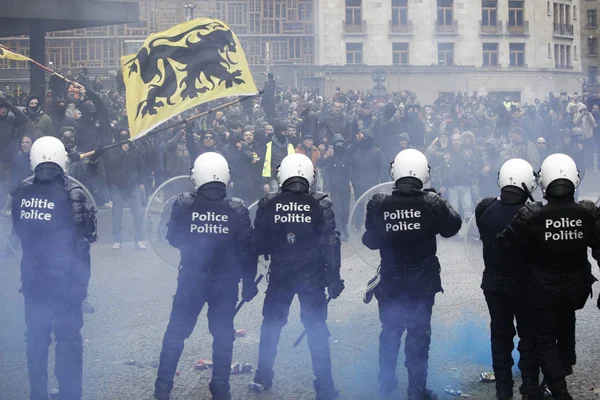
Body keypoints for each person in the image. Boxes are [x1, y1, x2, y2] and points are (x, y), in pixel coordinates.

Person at [496, 153, 600, 400]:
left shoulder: (533, 214)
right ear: (575, 178)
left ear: (543, 182)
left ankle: (560, 390)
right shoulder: (587, 212)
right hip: (576, 288)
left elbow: (503, 245)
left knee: (545, 340)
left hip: (543, 289)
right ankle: (562, 372)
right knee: (566, 328)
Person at [154, 152, 258, 400]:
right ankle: (221, 389)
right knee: (223, 334)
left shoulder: (184, 203)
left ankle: (162, 389)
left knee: (176, 332)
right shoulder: (237, 208)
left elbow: (173, 239)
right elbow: (248, 249)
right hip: (225, 282)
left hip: (192, 278)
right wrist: (249, 282)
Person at [362, 149, 461, 400]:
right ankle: (416, 391)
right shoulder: (430, 202)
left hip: (391, 281)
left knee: (391, 330)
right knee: (418, 335)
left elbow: (370, 241)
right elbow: (452, 227)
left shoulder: (379, 203)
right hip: (421, 282)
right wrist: (439, 201)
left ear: (394, 172)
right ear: (423, 174)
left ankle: (385, 383)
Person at [11, 136, 97, 400]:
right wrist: (82, 287)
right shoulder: (72, 193)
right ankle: (70, 395)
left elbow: (17, 233)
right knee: (68, 339)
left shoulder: (21, 191)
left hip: (33, 279)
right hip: (65, 281)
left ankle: (38, 393)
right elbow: (84, 245)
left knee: (36, 337)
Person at [252, 153, 343, 400]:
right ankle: (325, 387)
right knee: (315, 327)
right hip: (311, 274)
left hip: (281, 272)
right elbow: (331, 242)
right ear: (309, 177)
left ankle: (262, 377)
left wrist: (248, 280)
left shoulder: (268, 203)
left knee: (271, 323)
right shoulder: (320, 203)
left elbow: (256, 244)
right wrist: (334, 277)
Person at [474, 158, 543, 400]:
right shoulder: (534, 214)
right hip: (525, 284)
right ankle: (529, 388)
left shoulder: (486, 212)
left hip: (494, 283)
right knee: (529, 336)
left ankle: (503, 390)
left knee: (500, 336)